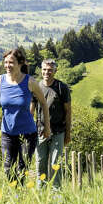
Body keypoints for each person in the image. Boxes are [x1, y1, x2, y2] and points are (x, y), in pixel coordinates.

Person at [0, 48, 51, 181]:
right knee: (8, 169)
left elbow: (44, 103)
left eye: (11, 62)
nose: (7, 66)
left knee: (22, 170)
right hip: (7, 133)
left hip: (27, 134)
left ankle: (19, 198)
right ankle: (13, 196)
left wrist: (47, 127)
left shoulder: (30, 82)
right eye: (5, 62)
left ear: (20, 63)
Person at [31, 58, 71, 188]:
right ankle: (40, 193)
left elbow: (68, 112)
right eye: (44, 70)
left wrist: (68, 133)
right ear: (41, 70)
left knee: (55, 164)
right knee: (40, 163)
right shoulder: (36, 87)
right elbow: (31, 110)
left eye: (49, 70)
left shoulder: (62, 88)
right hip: (40, 131)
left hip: (58, 131)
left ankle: (56, 194)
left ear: (55, 71)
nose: (46, 73)